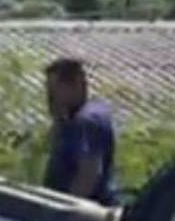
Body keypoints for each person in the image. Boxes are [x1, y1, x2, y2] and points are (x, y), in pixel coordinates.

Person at [42, 58, 118, 205]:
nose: (50, 98)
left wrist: (68, 209)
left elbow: (89, 172)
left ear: (75, 84)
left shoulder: (87, 120)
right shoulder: (73, 120)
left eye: (53, 90)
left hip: (85, 215)